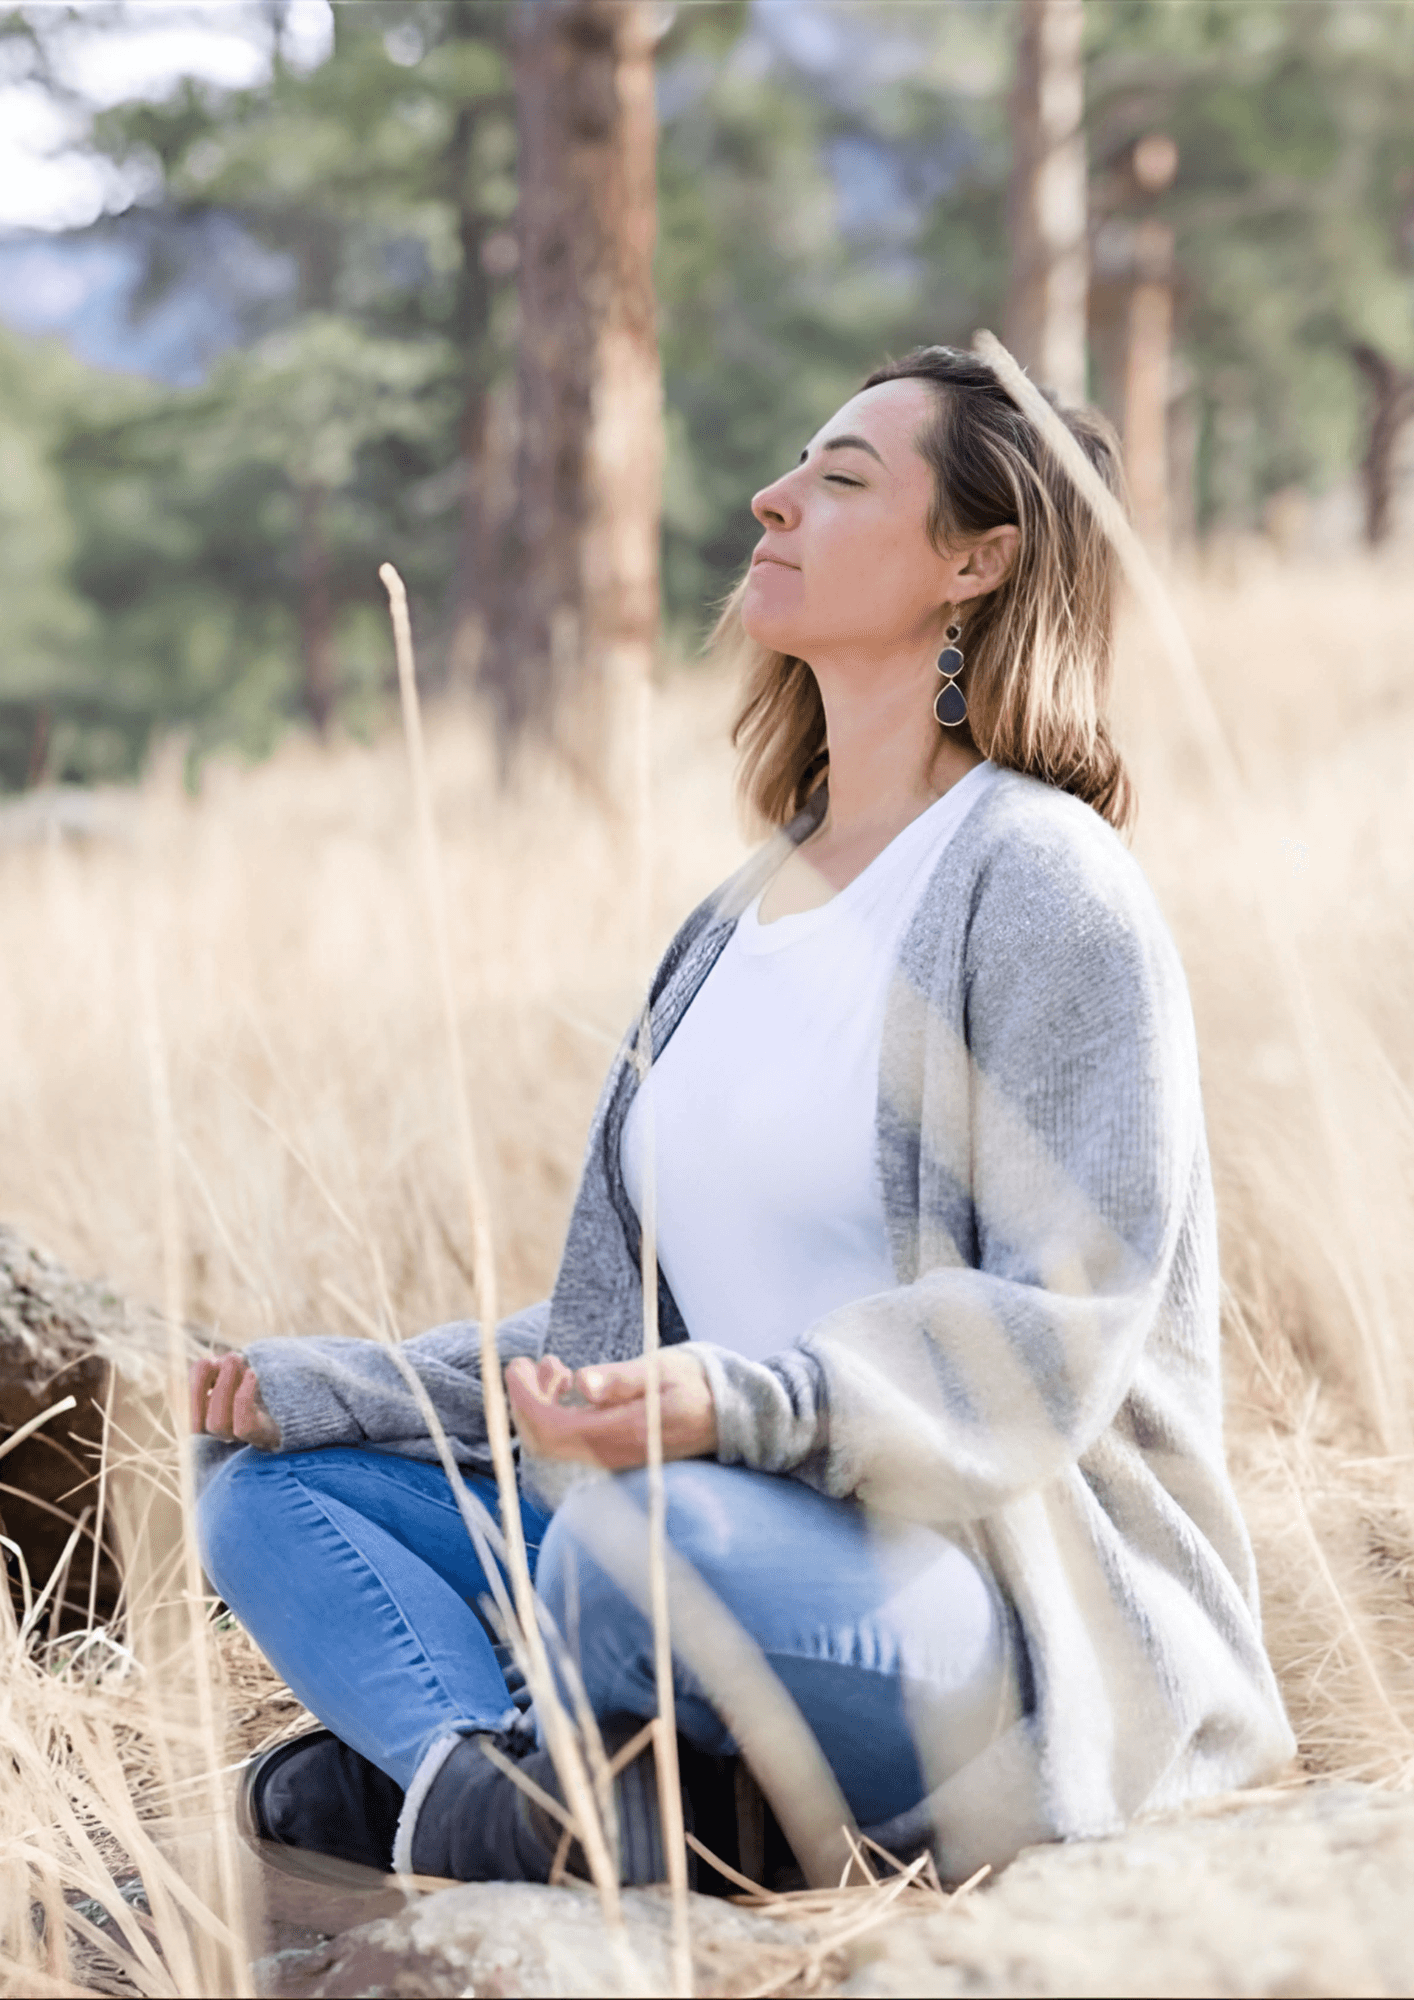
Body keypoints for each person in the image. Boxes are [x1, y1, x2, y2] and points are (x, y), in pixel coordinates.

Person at [191, 346, 1294, 1890]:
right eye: (793, 469)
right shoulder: (734, 919)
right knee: (273, 1490)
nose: (772, 498)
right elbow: (612, 1326)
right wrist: (328, 1386)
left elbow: (1062, 1315)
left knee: (635, 1544)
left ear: (976, 561)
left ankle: (515, 1780)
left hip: (962, 1601)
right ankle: (486, 1793)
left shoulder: (1043, 883)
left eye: (841, 480)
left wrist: (732, 1406)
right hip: (668, 1523)